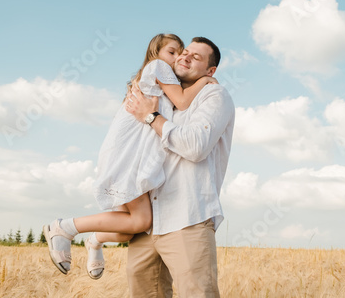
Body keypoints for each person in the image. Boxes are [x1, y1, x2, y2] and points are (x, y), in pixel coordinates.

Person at [43, 33, 218, 280]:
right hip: (129, 155)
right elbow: (182, 102)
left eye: (180, 52)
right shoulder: (159, 67)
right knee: (140, 221)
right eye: (172, 51)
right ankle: (64, 227)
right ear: (156, 55)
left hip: (132, 152)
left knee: (128, 229)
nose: (178, 57)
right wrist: (205, 82)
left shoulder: (155, 76)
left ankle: (94, 241)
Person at [124, 36, 235, 297]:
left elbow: (196, 146)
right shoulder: (162, 97)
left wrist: (151, 117)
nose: (185, 57)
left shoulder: (214, 94)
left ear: (211, 71)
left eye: (196, 57)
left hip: (188, 216)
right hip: (148, 222)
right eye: (184, 52)